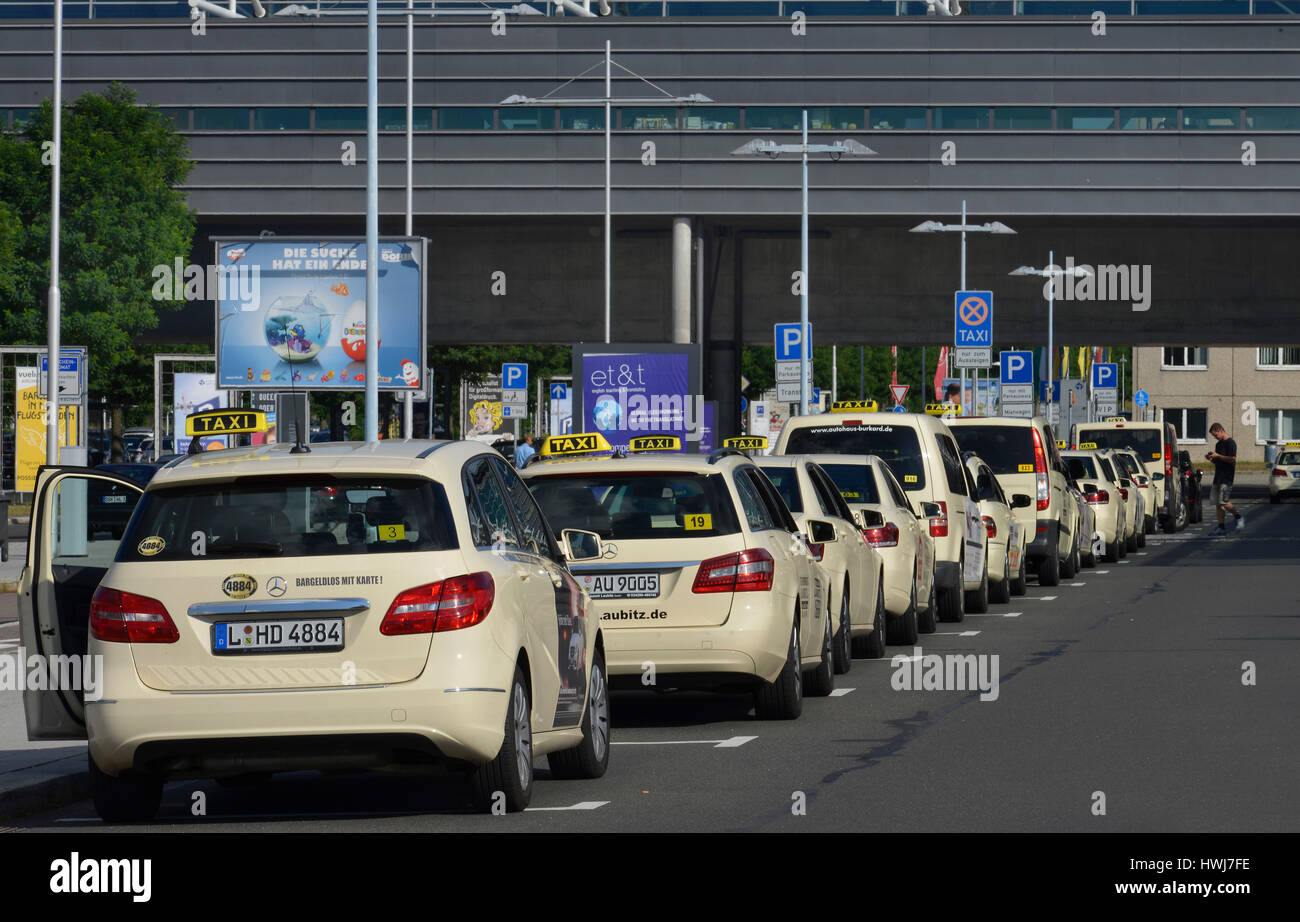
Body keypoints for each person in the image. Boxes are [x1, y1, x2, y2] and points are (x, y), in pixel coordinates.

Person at [1206, 422, 1242, 535]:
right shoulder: (1218, 445)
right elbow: (1218, 461)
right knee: (1218, 503)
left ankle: (1238, 517)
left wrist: (1218, 456)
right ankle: (1221, 526)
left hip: (1227, 477)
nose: (1215, 437)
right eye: (1213, 436)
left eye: (1215, 435)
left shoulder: (1231, 443)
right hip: (1218, 477)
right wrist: (1212, 458)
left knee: (1224, 502)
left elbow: (1232, 459)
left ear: (1221, 430)